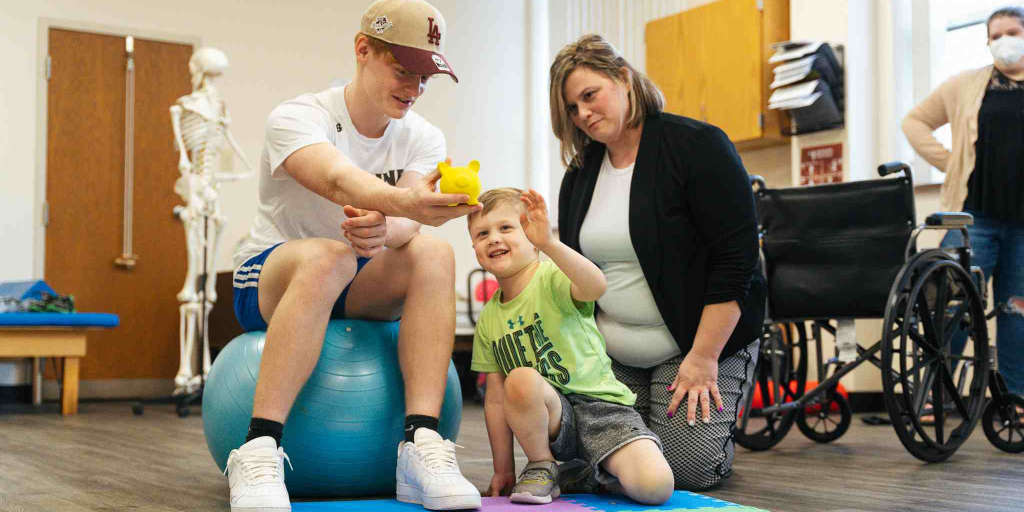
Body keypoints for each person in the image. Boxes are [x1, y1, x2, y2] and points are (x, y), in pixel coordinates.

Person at [225, 1, 483, 510]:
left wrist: (389, 225)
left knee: (432, 253)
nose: (414, 88)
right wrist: (400, 206)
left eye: (425, 78)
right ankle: (258, 447)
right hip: (271, 277)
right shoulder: (299, 116)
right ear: (363, 50)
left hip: (358, 280)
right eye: (403, 70)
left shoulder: (423, 136)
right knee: (329, 257)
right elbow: (337, 178)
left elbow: (408, 221)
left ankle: (421, 442)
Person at [549, 34, 766, 491]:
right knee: (596, 458)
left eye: (590, 95)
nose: (583, 113)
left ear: (623, 79)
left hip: (693, 345)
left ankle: (647, 449)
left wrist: (703, 358)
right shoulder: (580, 173)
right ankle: (635, 446)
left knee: (685, 473)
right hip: (614, 352)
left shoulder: (697, 145)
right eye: (572, 107)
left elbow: (737, 261)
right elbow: (576, 270)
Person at [468, 188, 673, 506]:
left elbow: (596, 286)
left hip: (604, 411)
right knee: (520, 378)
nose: (494, 238)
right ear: (474, 247)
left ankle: (588, 476)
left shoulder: (553, 277)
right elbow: (494, 400)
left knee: (656, 487)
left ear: (531, 236)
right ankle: (542, 465)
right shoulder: (488, 319)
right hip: (552, 422)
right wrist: (503, 470)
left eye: (505, 227)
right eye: (482, 233)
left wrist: (549, 243)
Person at [902, 6, 1024, 410]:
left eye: (1013, 32)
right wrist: (951, 162)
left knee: (1017, 313)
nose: (1005, 41)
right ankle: (936, 395)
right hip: (974, 220)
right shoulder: (966, 85)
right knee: (950, 306)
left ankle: (1014, 401)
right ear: (987, 42)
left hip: (1023, 226)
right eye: (996, 35)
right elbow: (915, 121)